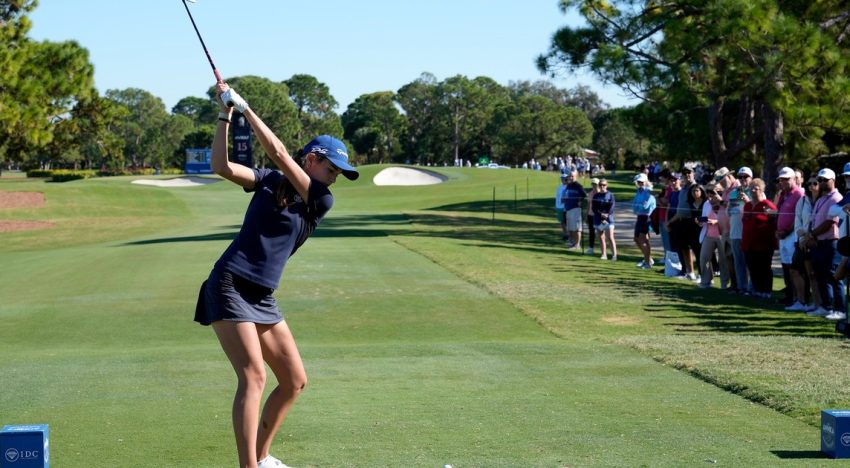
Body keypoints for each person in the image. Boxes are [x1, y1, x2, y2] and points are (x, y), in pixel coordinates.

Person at [195, 84, 359, 468]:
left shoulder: (320, 200)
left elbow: (281, 153)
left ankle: (263, 456)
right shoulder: (268, 180)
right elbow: (221, 167)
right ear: (314, 158)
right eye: (331, 169)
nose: (334, 178)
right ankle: (249, 467)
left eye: (338, 173)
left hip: (262, 295)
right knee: (254, 377)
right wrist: (225, 114)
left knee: (294, 380)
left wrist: (246, 107)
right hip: (230, 283)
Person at [804, 168, 846, 319]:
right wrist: (812, 236)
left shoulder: (836, 198)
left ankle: (840, 310)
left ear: (833, 180)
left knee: (834, 276)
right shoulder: (821, 199)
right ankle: (826, 306)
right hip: (820, 242)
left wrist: (812, 234)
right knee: (821, 275)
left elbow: (830, 222)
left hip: (831, 242)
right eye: (820, 180)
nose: (821, 183)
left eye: (824, 180)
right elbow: (815, 220)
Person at [774, 167, 805, 306]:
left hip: (792, 235)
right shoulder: (783, 194)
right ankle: (790, 296)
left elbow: (798, 218)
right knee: (786, 267)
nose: (784, 182)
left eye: (787, 179)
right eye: (781, 179)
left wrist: (787, 231)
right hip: (783, 236)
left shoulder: (799, 194)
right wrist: (778, 230)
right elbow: (779, 214)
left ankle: (799, 298)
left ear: (794, 179)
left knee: (795, 268)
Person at [741, 178, 777, 298]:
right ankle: (757, 290)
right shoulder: (747, 206)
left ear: (761, 190)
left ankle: (766, 291)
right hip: (748, 243)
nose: (752, 190)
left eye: (755, 188)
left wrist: (771, 213)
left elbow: (776, 215)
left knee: (764, 268)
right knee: (753, 268)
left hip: (764, 244)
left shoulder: (767, 204)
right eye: (751, 188)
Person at [789, 175, 820, 311]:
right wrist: (801, 237)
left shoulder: (823, 200)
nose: (811, 186)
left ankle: (817, 303)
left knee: (813, 274)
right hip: (802, 242)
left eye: (815, 183)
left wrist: (809, 237)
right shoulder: (802, 201)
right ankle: (801, 302)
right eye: (809, 183)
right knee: (795, 270)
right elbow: (798, 220)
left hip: (816, 242)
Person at [698, 183, 729, 288]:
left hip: (721, 235)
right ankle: (706, 281)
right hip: (709, 234)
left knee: (723, 260)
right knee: (704, 257)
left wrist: (716, 221)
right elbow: (704, 217)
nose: (710, 196)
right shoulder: (706, 203)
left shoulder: (724, 204)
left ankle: (724, 283)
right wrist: (700, 222)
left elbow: (727, 219)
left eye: (713, 193)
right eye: (708, 193)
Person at [728, 167, 753, 292]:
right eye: (740, 177)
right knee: (738, 262)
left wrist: (747, 201)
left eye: (745, 177)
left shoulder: (756, 191)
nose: (742, 179)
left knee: (750, 262)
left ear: (751, 178)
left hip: (749, 233)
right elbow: (729, 211)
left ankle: (751, 287)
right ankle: (741, 287)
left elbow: (759, 209)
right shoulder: (733, 192)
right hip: (735, 232)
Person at [633, 173, 656, 268]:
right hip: (640, 217)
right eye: (638, 182)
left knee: (644, 240)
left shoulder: (648, 191)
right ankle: (648, 259)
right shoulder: (639, 191)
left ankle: (647, 263)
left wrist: (638, 206)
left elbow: (645, 206)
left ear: (646, 182)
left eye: (641, 182)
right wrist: (638, 206)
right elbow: (634, 206)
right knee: (636, 239)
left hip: (647, 217)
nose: (640, 183)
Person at [593, 178, 617, 261]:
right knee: (601, 237)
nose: (602, 186)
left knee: (610, 237)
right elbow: (594, 208)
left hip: (608, 219)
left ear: (607, 185)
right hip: (598, 219)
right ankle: (604, 254)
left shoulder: (610, 195)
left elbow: (612, 206)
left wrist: (607, 214)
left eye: (604, 185)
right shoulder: (596, 195)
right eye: (600, 185)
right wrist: (600, 214)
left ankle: (614, 255)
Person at [562, 170, 586, 250]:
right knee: (570, 228)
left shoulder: (578, 186)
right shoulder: (569, 186)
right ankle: (572, 243)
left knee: (577, 228)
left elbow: (584, 195)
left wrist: (579, 201)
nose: (571, 178)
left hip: (575, 208)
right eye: (570, 176)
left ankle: (577, 244)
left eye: (572, 176)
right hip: (568, 208)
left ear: (576, 176)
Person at [585, 178, 600, 255]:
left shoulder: (601, 193)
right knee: (591, 232)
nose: (594, 186)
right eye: (593, 184)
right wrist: (586, 215)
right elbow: (588, 205)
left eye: (596, 184)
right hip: (591, 215)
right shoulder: (590, 193)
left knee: (600, 233)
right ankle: (591, 248)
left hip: (599, 216)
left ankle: (603, 250)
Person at [555, 173, 569, 242]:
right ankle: (565, 234)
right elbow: (557, 197)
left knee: (566, 222)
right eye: (562, 178)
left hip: (566, 207)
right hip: (559, 207)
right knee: (562, 222)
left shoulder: (569, 187)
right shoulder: (559, 187)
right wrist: (556, 206)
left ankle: (569, 235)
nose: (563, 180)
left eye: (564, 178)